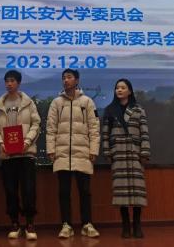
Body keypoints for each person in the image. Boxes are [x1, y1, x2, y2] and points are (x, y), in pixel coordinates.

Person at [46, 68, 100, 239]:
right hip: (62, 153)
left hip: (82, 152)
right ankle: (66, 225)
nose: (66, 80)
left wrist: (94, 150)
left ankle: (87, 224)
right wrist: (51, 149)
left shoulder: (87, 102)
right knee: (64, 192)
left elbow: (94, 128)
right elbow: (51, 128)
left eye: (69, 77)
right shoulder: (56, 103)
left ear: (76, 80)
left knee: (85, 191)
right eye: (64, 78)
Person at [0, 69, 40, 241]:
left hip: (26, 154)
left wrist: (27, 142)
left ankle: (30, 223)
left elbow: (36, 124)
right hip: (7, 155)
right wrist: (1, 143)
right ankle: (14, 223)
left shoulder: (28, 102)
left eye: (12, 80)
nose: (9, 84)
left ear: (19, 83)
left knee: (28, 190)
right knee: (10, 191)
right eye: (7, 81)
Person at [102, 79, 150, 238]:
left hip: (134, 154)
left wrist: (144, 152)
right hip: (119, 154)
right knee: (121, 191)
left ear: (130, 91)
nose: (119, 90)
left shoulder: (138, 110)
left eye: (123, 87)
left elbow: (144, 133)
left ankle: (137, 224)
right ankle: (125, 225)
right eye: (117, 88)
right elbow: (105, 134)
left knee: (137, 191)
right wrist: (107, 152)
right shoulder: (110, 110)